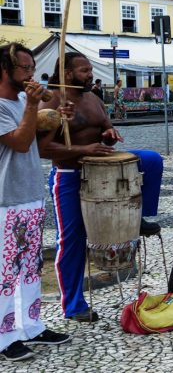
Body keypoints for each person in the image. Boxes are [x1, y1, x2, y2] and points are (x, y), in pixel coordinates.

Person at [38, 53, 164, 322]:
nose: (90, 74)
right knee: (71, 240)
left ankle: (142, 217)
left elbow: (107, 133)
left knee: (151, 160)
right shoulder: (52, 99)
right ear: (68, 73)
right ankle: (73, 305)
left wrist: (109, 135)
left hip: (102, 165)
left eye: (90, 69)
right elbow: (43, 149)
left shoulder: (94, 98)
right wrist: (84, 148)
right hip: (70, 173)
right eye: (84, 70)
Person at [0, 44, 72, 361]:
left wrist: (57, 120)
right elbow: (18, 142)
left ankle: (32, 325)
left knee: (30, 267)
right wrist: (32, 105)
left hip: (29, 194)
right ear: (4, 71)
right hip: (5, 200)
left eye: (32, 68)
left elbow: (38, 148)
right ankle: (5, 337)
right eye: (25, 68)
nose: (32, 74)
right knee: (4, 273)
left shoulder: (19, 101)